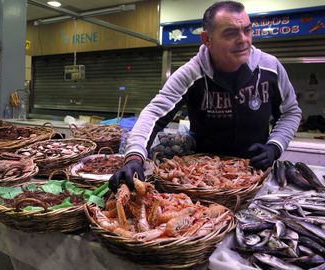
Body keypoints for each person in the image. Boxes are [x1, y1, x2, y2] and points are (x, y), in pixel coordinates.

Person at [109, 1, 302, 192]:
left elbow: (291, 112)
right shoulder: (191, 73)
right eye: (230, 33)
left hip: (256, 175)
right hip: (203, 179)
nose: (243, 39)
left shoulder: (270, 67)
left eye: (247, 30)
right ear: (207, 39)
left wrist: (274, 147)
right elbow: (153, 114)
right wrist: (134, 157)